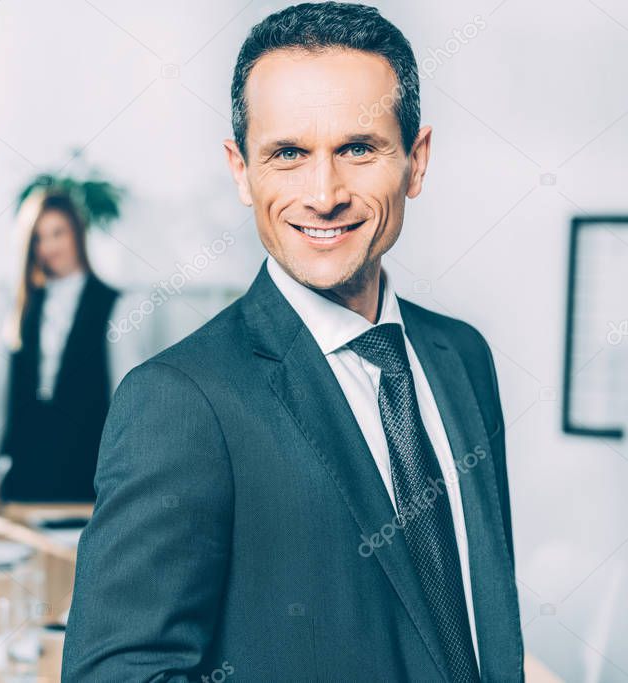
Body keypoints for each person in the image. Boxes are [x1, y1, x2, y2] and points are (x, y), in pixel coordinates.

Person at [63, 3, 522, 681]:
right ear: (242, 170)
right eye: (287, 154)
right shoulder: (178, 402)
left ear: (415, 161)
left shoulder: (463, 358)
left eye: (357, 148)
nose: (324, 192)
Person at [0, 190, 119, 502]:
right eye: (38, 238)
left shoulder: (113, 305)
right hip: (25, 477)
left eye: (57, 233)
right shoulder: (22, 308)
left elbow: (124, 401)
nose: (49, 247)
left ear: (77, 234)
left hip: (88, 475)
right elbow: (4, 401)